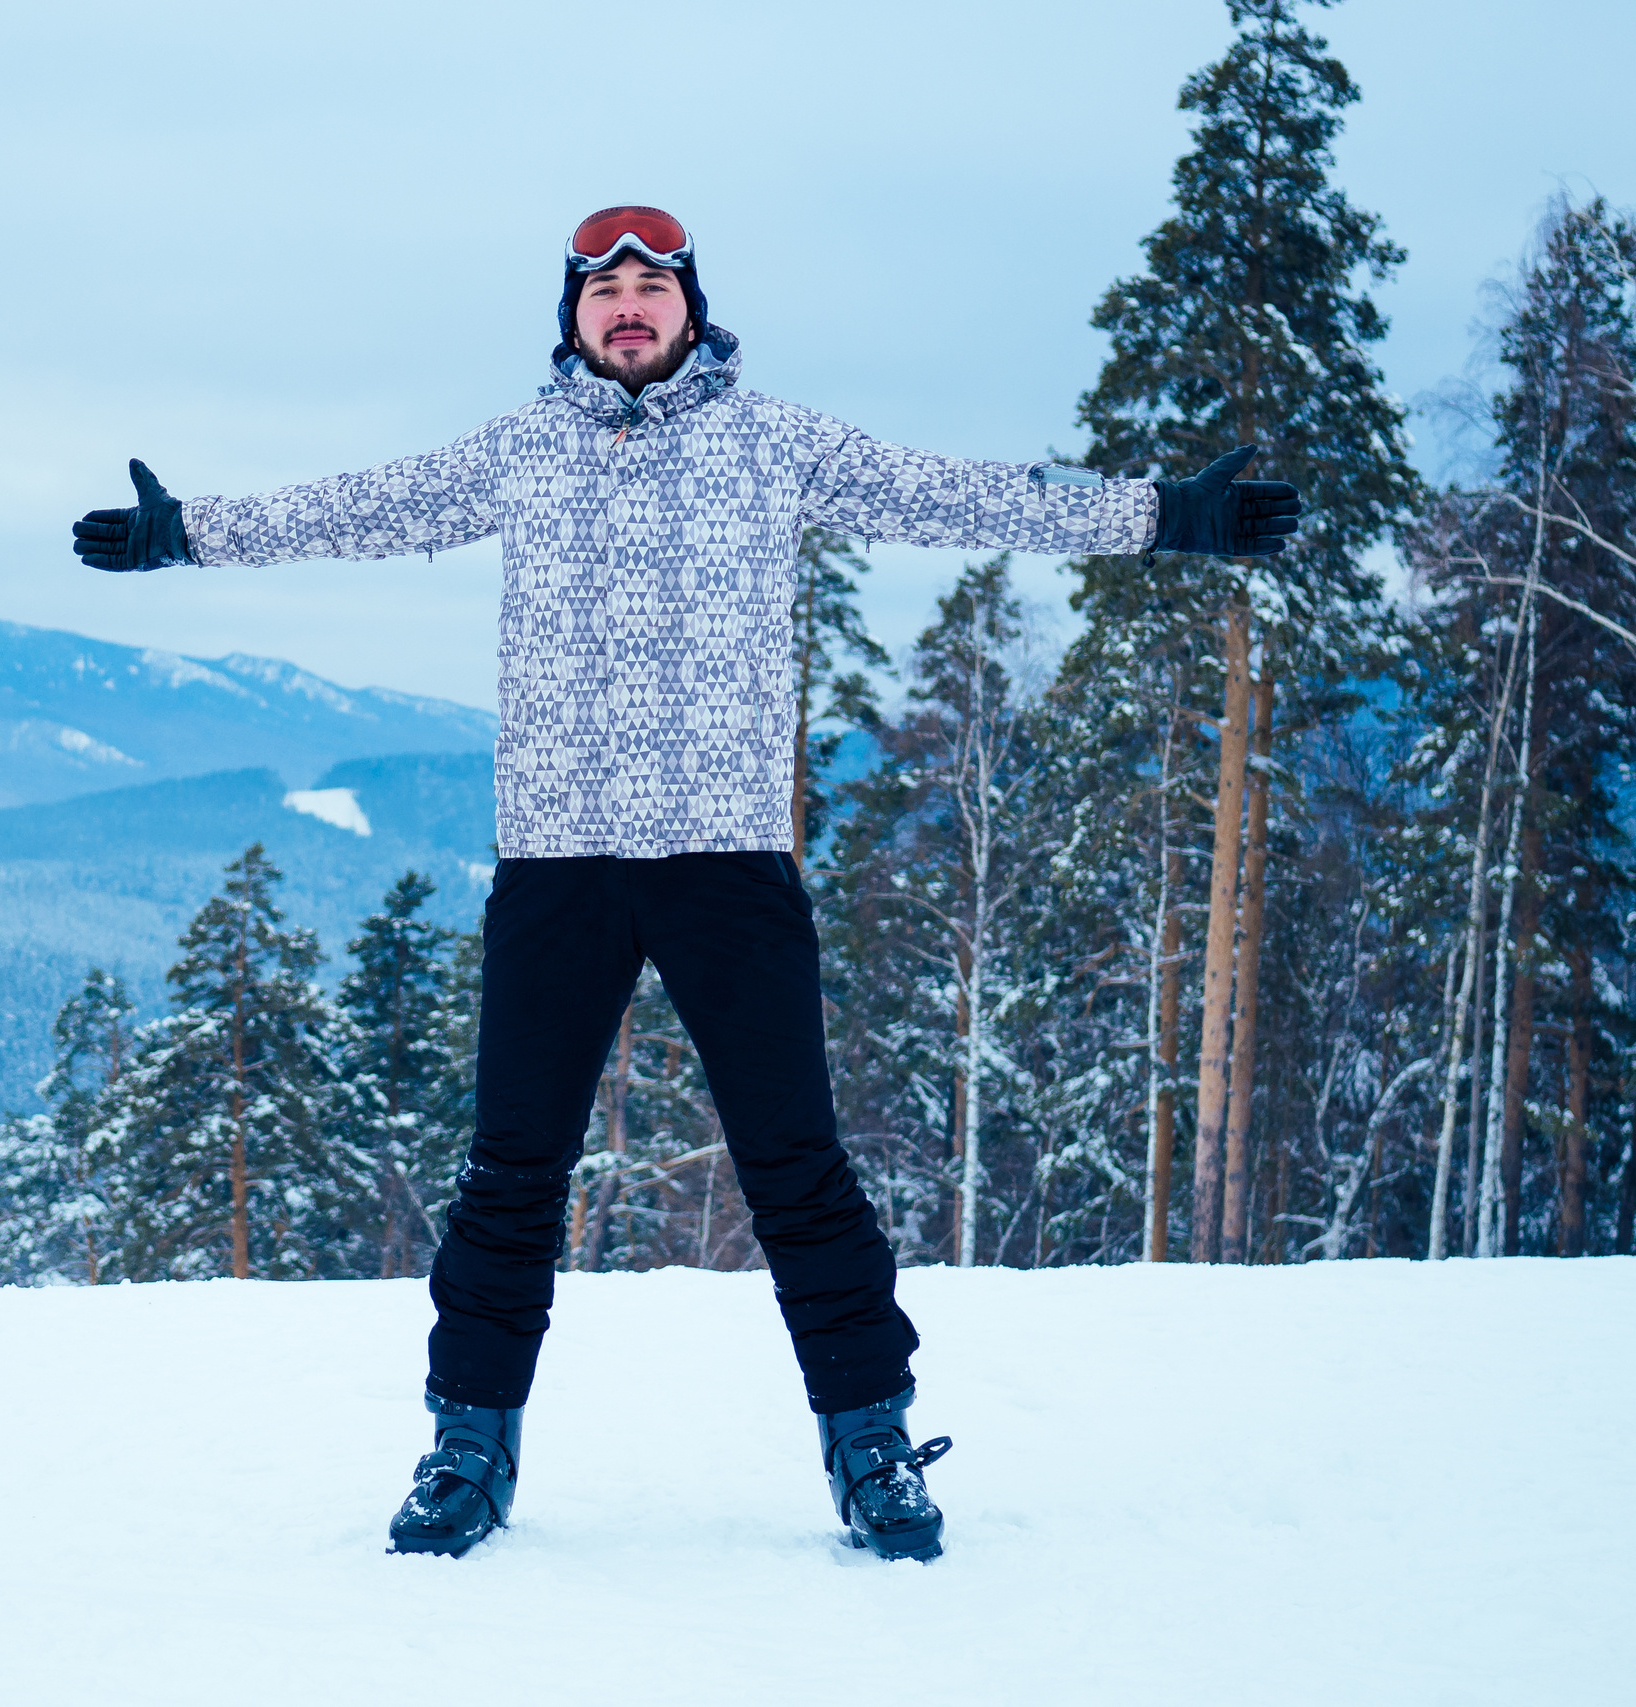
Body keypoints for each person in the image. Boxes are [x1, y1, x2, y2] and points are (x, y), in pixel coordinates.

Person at [69, 205, 1300, 1562]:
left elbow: (961, 490)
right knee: (512, 1174)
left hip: (726, 865)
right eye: (604, 289)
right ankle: (468, 1446)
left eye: (655, 282)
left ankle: (873, 1447)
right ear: (573, 321)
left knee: (798, 1169)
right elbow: (357, 504)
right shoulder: (521, 450)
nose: (630, 303)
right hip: (560, 863)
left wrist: (1167, 517)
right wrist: (185, 533)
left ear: (692, 308)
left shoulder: (774, 441)